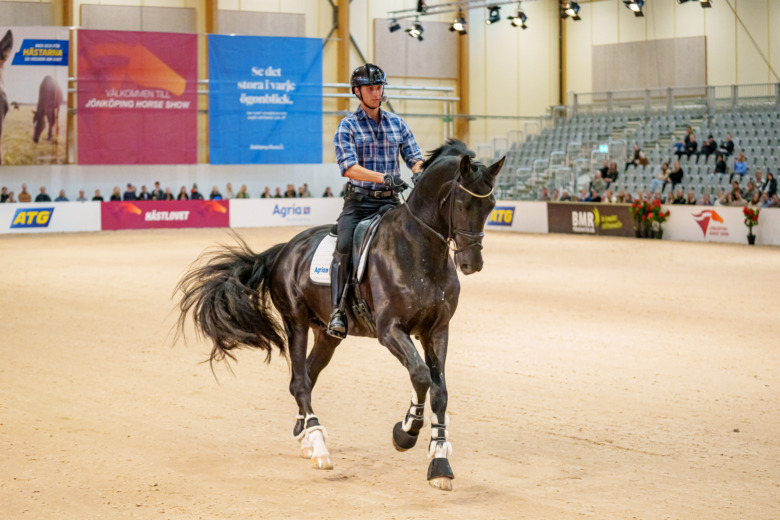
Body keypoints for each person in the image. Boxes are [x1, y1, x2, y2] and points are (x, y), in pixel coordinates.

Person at [327, 63, 423, 338]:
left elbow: (414, 156)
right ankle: (337, 312)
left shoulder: (397, 123)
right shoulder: (347, 126)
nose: (377, 92)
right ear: (357, 91)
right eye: (371, 88)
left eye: (379, 87)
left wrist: (418, 171)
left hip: (391, 202)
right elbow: (348, 167)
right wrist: (383, 177)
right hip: (360, 203)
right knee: (344, 245)